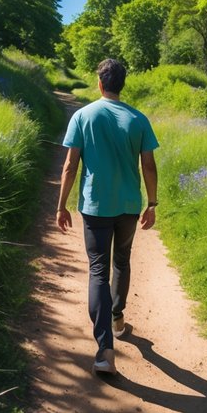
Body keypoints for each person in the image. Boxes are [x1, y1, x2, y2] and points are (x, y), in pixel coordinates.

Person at [56, 58, 159, 374]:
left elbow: (71, 166)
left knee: (98, 268)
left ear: (100, 83)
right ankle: (117, 319)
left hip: (95, 206)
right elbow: (149, 166)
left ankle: (104, 351)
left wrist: (60, 205)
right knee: (121, 261)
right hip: (128, 206)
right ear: (121, 84)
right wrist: (152, 204)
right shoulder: (138, 119)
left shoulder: (83, 116)